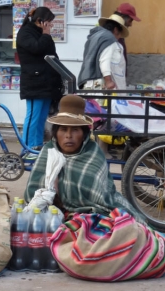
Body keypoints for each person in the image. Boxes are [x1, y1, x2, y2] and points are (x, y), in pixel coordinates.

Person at [24, 94, 146, 225]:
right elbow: (31, 194)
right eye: (63, 130)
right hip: (52, 215)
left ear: (84, 135)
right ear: (55, 133)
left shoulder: (93, 154)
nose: (68, 136)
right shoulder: (48, 152)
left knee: (124, 226)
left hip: (91, 214)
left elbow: (102, 198)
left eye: (75, 130)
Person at [78, 14, 129, 158]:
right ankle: (100, 152)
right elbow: (104, 62)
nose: (119, 38)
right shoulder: (110, 40)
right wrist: (109, 81)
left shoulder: (95, 37)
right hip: (99, 84)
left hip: (89, 83)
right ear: (115, 30)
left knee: (92, 118)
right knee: (100, 119)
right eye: (119, 34)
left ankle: (93, 151)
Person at [16, 7, 63, 159]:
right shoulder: (25, 33)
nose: (51, 25)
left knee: (42, 116)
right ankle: (27, 148)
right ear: (39, 21)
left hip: (47, 82)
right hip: (34, 81)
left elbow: (52, 55)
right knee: (33, 116)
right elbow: (37, 48)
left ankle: (36, 146)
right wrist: (46, 34)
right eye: (49, 22)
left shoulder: (42, 34)